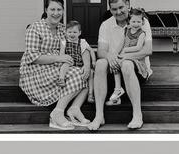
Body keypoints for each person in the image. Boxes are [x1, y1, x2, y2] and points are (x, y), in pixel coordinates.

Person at [19, 0, 89, 130]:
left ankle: (74, 109)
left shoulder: (63, 29)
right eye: (52, 9)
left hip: (57, 66)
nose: (56, 13)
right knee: (75, 73)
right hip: (35, 70)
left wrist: (86, 64)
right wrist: (59, 58)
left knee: (86, 72)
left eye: (59, 10)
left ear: (63, 11)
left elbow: (78, 47)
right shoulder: (35, 28)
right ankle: (57, 113)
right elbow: (33, 57)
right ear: (46, 10)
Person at [87, 0, 153, 131]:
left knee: (127, 65)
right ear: (110, 9)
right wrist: (111, 56)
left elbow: (147, 50)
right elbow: (101, 51)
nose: (118, 12)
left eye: (121, 7)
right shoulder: (106, 25)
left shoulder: (140, 21)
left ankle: (137, 115)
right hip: (113, 72)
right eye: (114, 9)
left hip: (135, 70)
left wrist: (123, 57)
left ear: (128, 4)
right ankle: (99, 115)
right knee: (100, 63)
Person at [107, 9, 149, 106]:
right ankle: (117, 89)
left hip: (134, 57)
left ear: (142, 22)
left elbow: (138, 47)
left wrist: (125, 51)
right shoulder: (127, 31)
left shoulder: (141, 33)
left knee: (123, 63)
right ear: (129, 22)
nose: (136, 24)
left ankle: (120, 91)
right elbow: (121, 43)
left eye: (139, 21)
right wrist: (115, 54)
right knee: (115, 63)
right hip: (124, 54)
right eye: (133, 21)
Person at [58, 21, 94, 125]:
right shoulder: (64, 42)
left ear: (79, 33)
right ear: (65, 32)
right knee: (65, 65)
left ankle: (90, 94)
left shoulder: (82, 42)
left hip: (79, 64)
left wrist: (93, 61)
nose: (72, 34)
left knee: (89, 73)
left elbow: (91, 51)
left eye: (74, 32)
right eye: (69, 32)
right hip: (69, 63)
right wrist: (63, 60)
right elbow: (61, 54)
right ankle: (61, 78)